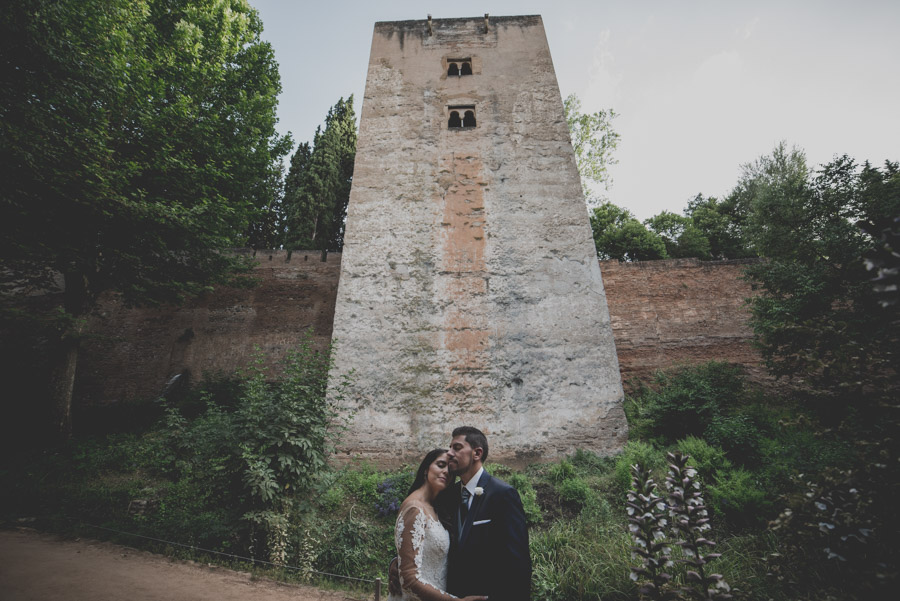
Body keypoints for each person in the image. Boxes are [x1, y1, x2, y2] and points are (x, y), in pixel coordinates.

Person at [388, 448, 487, 601]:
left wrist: (397, 561)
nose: (446, 472)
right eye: (440, 465)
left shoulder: (439, 507)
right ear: (426, 469)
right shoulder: (414, 508)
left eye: (450, 470)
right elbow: (409, 579)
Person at [445, 426, 531, 601]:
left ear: (477, 453)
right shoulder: (448, 496)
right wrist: (398, 563)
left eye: (457, 447)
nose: (449, 453)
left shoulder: (503, 495)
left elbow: (519, 562)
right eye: (449, 447)